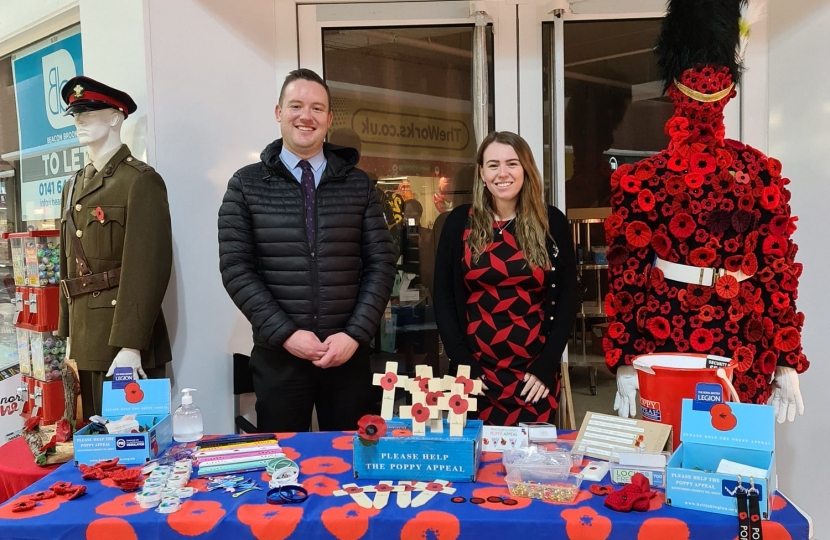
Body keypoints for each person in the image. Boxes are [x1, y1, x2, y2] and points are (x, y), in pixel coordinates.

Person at [605, 0, 808, 424]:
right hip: (666, 327)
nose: (706, 85)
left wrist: (787, 359)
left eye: (716, 76)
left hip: (742, 330)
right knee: (669, 452)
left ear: (730, 87)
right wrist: (626, 359)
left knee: (736, 452)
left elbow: (776, 267)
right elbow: (627, 276)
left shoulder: (759, 173)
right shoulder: (640, 179)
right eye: (697, 76)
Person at [218, 68, 395, 432]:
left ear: (329, 119)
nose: (306, 116)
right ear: (278, 112)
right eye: (296, 105)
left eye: (317, 108)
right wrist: (286, 334)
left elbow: (381, 264)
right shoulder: (246, 185)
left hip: (347, 355)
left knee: (350, 463)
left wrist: (355, 334)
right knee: (284, 465)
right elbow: (236, 269)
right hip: (279, 356)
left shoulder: (359, 185)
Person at [434, 131, 578, 426]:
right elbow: (444, 298)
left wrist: (547, 364)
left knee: (531, 465)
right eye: (493, 165)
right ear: (481, 173)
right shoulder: (459, 223)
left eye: (512, 164)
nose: (503, 173)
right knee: (477, 462)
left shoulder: (551, 223)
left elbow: (567, 299)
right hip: (476, 375)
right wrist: (464, 363)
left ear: (526, 169)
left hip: (533, 377)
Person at [57, 76, 173, 419]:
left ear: (114, 117)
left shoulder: (139, 181)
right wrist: (67, 335)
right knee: (93, 454)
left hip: (121, 341)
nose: (79, 120)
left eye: (89, 112)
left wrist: (131, 344)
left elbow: (148, 267)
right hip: (85, 340)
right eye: (76, 113)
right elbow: (69, 270)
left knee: (133, 452)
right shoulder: (73, 185)